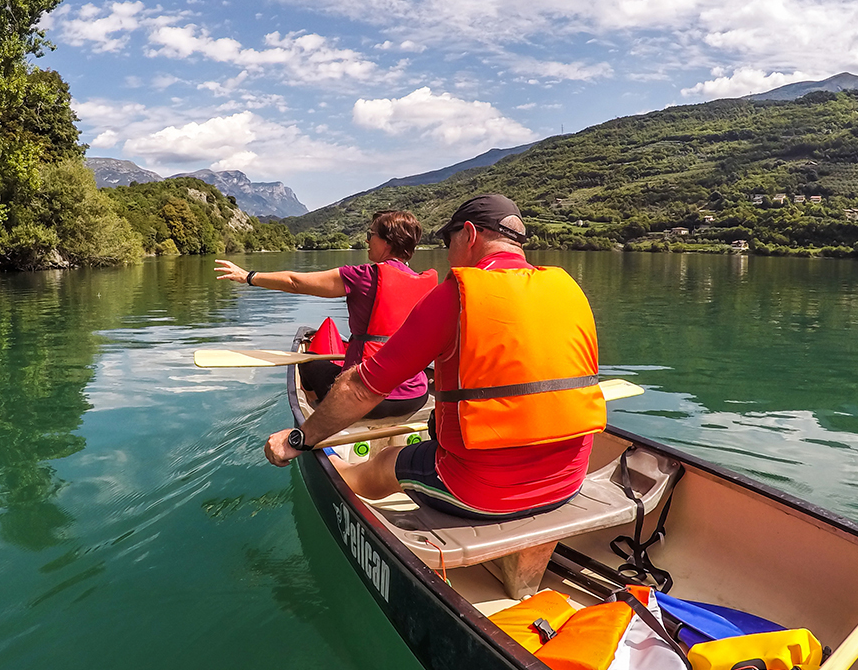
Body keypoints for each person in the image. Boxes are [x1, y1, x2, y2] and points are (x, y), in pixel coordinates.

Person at [264, 194, 607, 521]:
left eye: (449, 242)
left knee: (384, 462)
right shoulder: (569, 290)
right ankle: (520, 583)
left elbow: (361, 389)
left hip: (478, 490)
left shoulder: (457, 294)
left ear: (469, 234)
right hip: (569, 480)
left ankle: (353, 495)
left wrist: (299, 439)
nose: (447, 254)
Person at [215, 210, 438, 419]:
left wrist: (248, 276)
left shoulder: (364, 276)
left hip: (365, 397)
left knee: (308, 365)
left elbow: (295, 283)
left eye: (370, 235)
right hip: (416, 396)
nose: (367, 240)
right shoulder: (425, 281)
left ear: (387, 242)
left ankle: (325, 418)